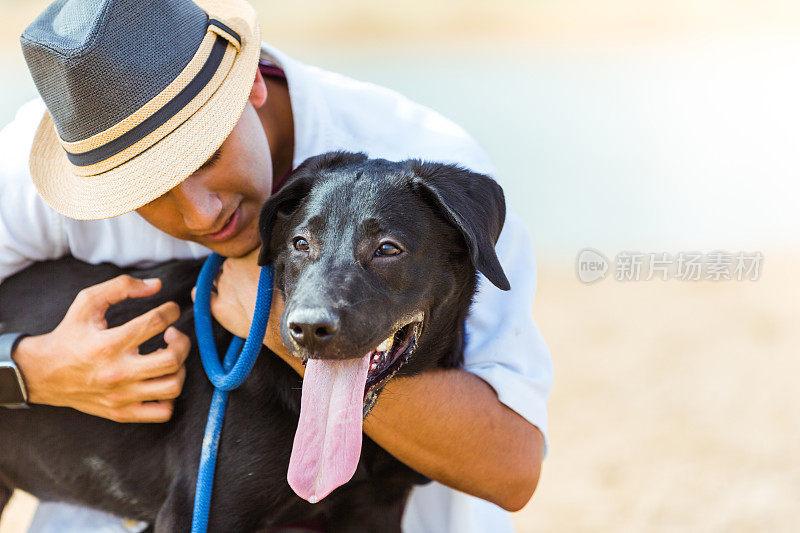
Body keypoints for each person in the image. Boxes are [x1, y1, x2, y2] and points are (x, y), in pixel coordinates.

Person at [0, 0, 553, 531]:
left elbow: (513, 470)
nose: (202, 213)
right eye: (152, 191)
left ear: (251, 85)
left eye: (205, 155)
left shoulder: (417, 160)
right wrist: (28, 368)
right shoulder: (58, 165)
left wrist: (274, 323)